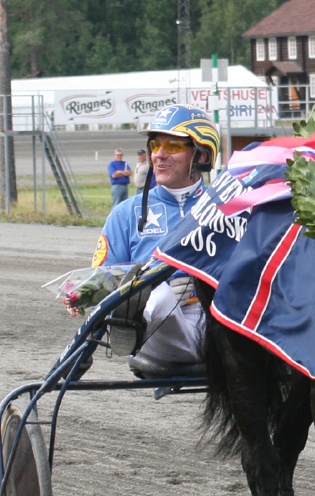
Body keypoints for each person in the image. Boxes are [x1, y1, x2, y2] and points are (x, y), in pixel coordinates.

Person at [92, 105, 222, 375]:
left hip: (218, 323)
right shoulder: (126, 213)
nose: (159, 155)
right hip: (158, 328)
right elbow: (102, 279)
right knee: (158, 292)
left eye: (172, 146)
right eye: (155, 145)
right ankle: (131, 314)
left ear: (201, 155)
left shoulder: (228, 208)